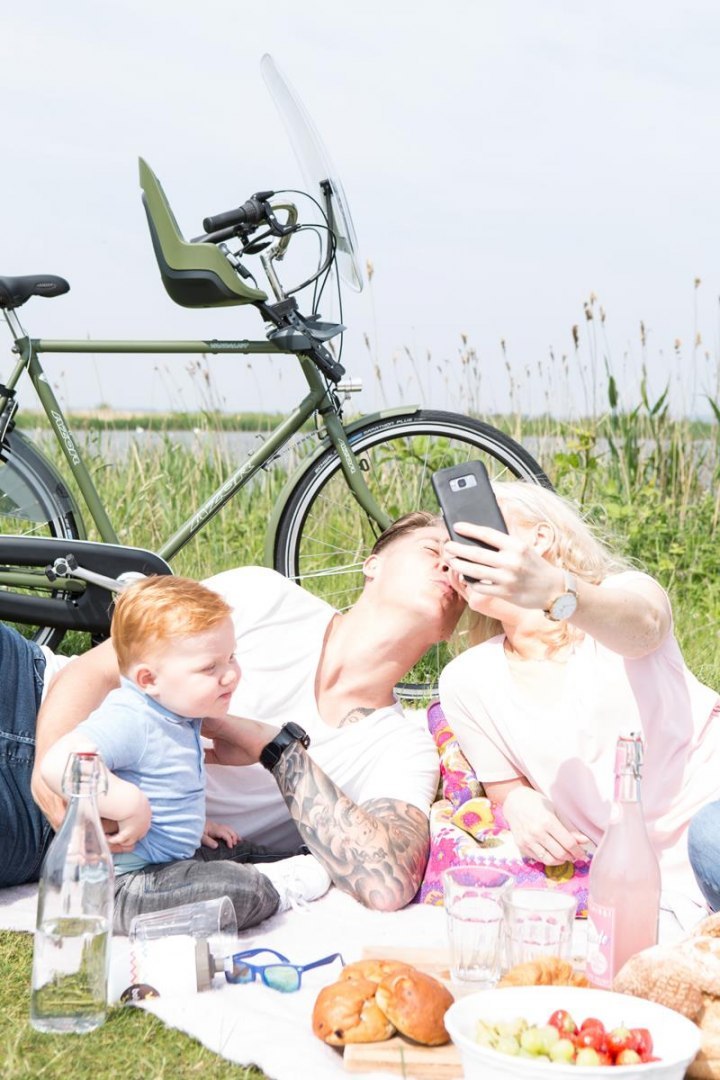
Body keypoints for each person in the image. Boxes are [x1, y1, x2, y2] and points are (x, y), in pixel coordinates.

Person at [4, 511, 465, 911]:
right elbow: (94, 670)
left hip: (66, 835)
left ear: (453, 626)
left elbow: (387, 882)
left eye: (464, 568)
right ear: (373, 563)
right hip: (31, 690)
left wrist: (275, 748)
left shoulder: (402, 746)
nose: (449, 564)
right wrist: (50, 773)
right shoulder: (265, 595)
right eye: (432, 549)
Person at [437, 481, 720, 926]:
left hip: (712, 813)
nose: (460, 554)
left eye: (477, 530)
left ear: (540, 538)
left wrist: (554, 592)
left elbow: (646, 628)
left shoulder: (620, 595)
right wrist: (518, 803)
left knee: (711, 836)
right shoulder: (466, 680)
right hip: (635, 875)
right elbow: (504, 784)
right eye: (453, 546)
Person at [39, 575, 331, 932]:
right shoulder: (131, 717)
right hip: (120, 886)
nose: (230, 675)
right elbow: (57, 762)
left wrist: (193, 826)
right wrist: (125, 802)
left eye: (231, 657)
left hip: (168, 861)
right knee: (234, 891)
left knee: (242, 851)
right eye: (210, 667)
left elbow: (161, 781)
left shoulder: (176, 713)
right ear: (149, 680)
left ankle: (299, 863)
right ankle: (275, 889)